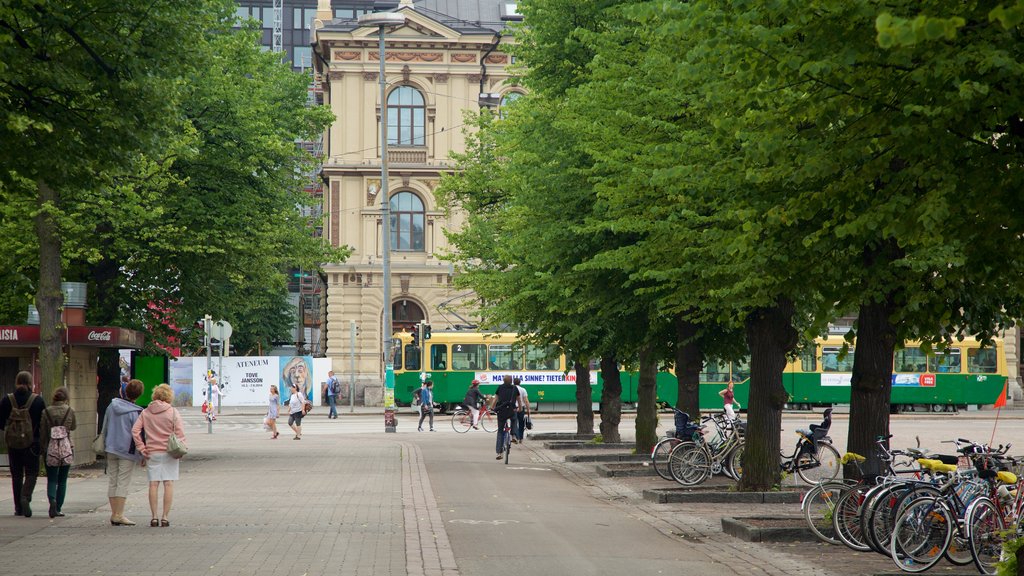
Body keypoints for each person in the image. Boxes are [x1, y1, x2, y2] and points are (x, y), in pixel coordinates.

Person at [132, 384, 186, 528]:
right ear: (169, 396)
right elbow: (180, 433)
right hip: (169, 452)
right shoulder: (173, 412)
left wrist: (142, 448)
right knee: (168, 484)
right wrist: (181, 449)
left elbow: (135, 430)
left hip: (151, 452)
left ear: (154, 396)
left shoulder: (145, 412)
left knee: (153, 484)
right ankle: (165, 517)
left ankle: (154, 517)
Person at [0, 371, 46, 517]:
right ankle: (25, 496)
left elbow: (1, 422)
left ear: (16, 381)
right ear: (30, 382)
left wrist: (9, 429)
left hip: (13, 444)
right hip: (32, 442)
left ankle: (18, 507)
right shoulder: (37, 400)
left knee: (16, 475)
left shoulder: (7, 400)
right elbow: (43, 422)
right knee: (32, 472)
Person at [102, 378, 145, 526]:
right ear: (139, 395)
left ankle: (114, 513)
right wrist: (142, 453)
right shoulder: (137, 412)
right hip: (127, 450)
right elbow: (138, 435)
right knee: (123, 482)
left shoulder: (111, 406)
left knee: (113, 480)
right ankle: (119, 514)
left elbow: (105, 426)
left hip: (111, 447)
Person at [41, 387, 77, 518]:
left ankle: (52, 500)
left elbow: (43, 431)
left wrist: (43, 448)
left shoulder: (46, 412)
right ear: (66, 398)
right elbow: (73, 426)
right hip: (66, 447)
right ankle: (59, 507)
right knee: (62, 480)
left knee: (51, 479)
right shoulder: (70, 411)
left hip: (51, 448)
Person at [490, 375, 520, 460]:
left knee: (500, 431)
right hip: (511, 410)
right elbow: (519, 400)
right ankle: (513, 435)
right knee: (514, 419)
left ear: (503, 381)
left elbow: (495, 399)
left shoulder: (500, 388)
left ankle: (499, 452)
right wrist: (520, 408)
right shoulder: (515, 388)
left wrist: (492, 407)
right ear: (511, 381)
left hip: (501, 411)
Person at [513, 377, 530, 443]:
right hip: (521, 408)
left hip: (513, 408)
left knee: (514, 423)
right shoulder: (523, 390)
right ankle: (521, 438)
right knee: (521, 423)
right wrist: (528, 409)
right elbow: (526, 400)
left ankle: (516, 437)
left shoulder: (512, 389)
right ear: (520, 383)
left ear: (513, 382)